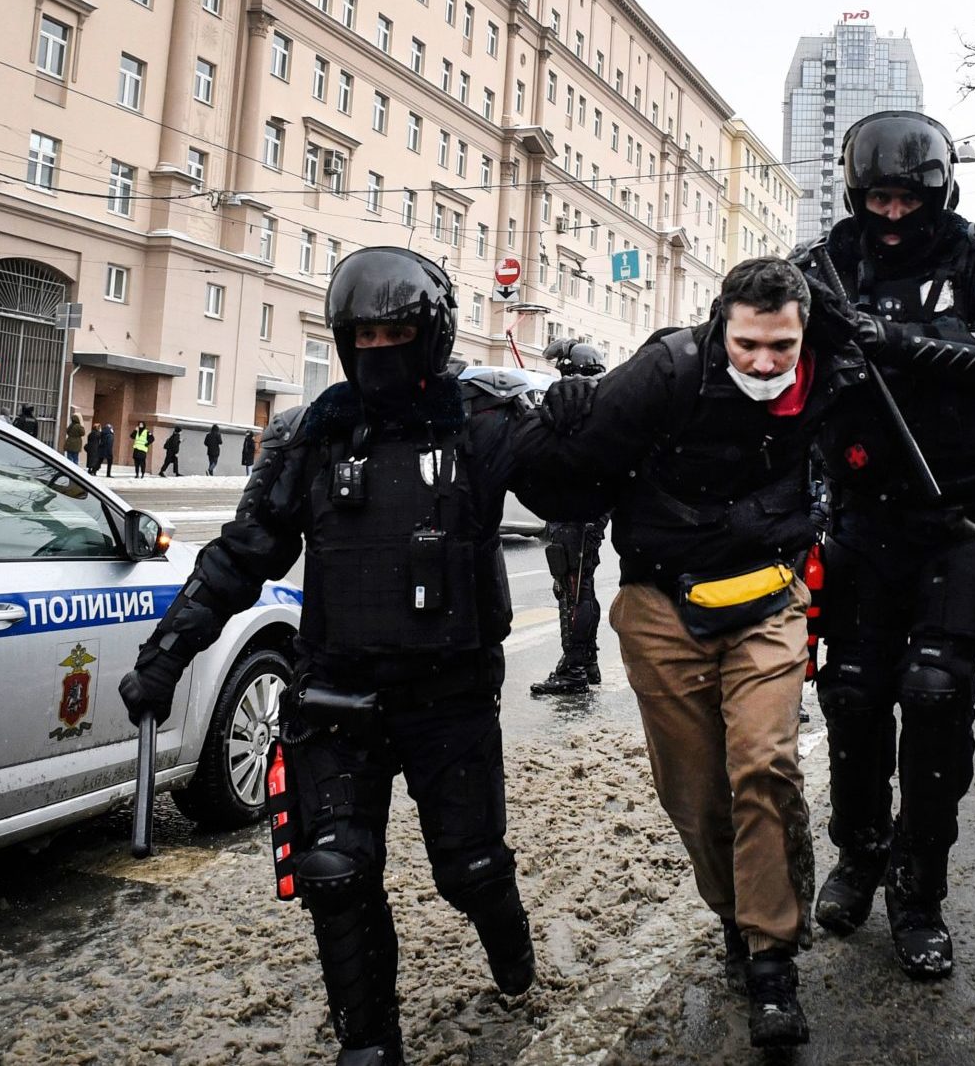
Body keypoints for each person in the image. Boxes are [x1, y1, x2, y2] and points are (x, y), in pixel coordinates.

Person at [118, 247, 575, 1066]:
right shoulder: (316, 436)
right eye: (363, 335)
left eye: (397, 332)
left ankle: (511, 949)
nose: (379, 350)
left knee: (468, 870)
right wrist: (167, 653)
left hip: (451, 700)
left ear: (430, 336)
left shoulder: (478, 426)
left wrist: (577, 418)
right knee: (334, 871)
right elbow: (241, 553)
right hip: (336, 698)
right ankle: (369, 1045)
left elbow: (576, 487)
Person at [537, 257, 851, 1047]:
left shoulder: (829, 375)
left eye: (782, 346)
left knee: (764, 765)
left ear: (802, 332)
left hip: (769, 601)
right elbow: (567, 475)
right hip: (661, 602)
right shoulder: (664, 371)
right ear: (722, 326)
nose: (765, 363)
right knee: (696, 791)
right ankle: (737, 915)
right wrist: (561, 414)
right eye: (749, 344)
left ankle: (771, 958)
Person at [791, 108, 975, 979]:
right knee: (853, 698)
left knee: (935, 697)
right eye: (878, 199)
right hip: (864, 516)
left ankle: (918, 884)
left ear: (937, 191)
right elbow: (766, 353)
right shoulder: (824, 265)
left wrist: (896, 342)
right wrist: (826, 363)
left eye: (907, 198)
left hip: (962, 517)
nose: (892, 215)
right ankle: (858, 850)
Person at [530, 336, 614, 697]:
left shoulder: (576, 411)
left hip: (574, 512)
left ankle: (574, 668)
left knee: (573, 589)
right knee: (581, 586)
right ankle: (587, 661)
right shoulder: (603, 406)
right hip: (588, 513)